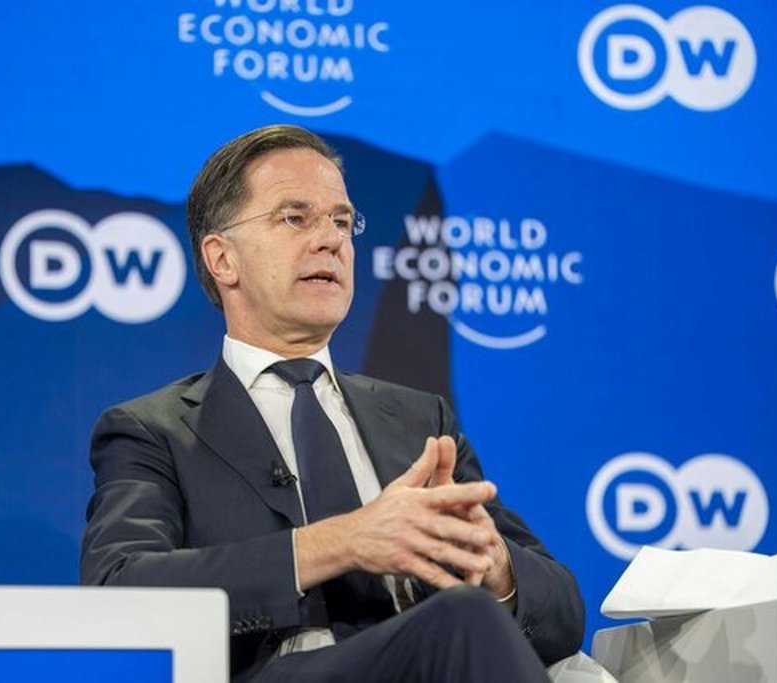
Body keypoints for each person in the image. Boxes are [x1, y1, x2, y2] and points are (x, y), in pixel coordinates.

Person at [80, 125, 584, 682]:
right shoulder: (153, 431)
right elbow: (120, 590)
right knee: (461, 619)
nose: (331, 240)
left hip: (432, 660)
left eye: (342, 222)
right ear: (223, 259)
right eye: (295, 218)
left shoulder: (419, 420)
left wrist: (495, 566)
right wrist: (342, 541)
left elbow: (563, 614)